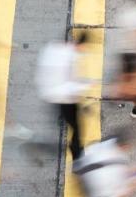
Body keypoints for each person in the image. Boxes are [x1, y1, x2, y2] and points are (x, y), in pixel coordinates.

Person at [36, 31, 94, 159]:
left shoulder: (58, 48)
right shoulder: (72, 58)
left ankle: (62, 118)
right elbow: (68, 88)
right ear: (82, 45)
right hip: (63, 98)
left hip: (50, 94)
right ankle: (76, 151)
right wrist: (86, 85)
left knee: (65, 115)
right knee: (77, 127)